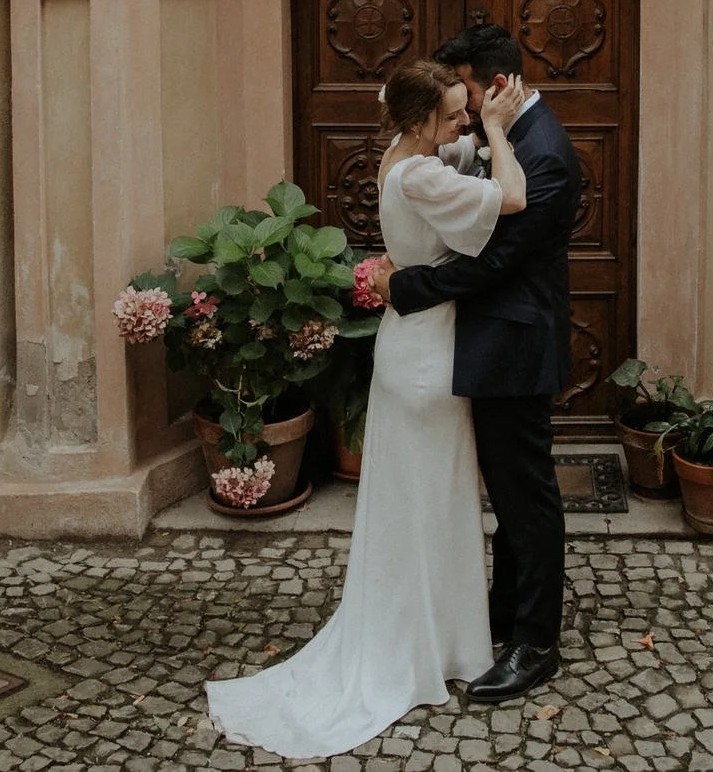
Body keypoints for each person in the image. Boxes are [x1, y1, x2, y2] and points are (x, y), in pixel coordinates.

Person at [206, 58, 531, 759]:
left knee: (420, 501)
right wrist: (502, 132)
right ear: (418, 121)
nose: (464, 123)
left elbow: (456, 154)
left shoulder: (401, 154)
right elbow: (511, 197)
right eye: (451, 113)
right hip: (429, 357)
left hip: (406, 340)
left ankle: (433, 636)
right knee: (431, 502)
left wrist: (475, 123)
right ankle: (428, 645)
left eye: (464, 112)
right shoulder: (420, 173)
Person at [371, 23, 580, 704]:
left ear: (492, 87)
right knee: (512, 493)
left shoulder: (542, 152)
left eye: (465, 97)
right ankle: (503, 608)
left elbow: (496, 261)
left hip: (514, 344)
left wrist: (405, 286)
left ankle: (536, 640)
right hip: (482, 343)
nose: (461, 115)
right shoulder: (503, 135)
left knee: (528, 496)